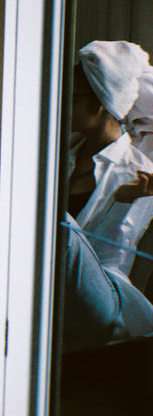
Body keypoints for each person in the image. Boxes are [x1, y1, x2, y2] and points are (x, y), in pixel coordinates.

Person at [61, 41, 153, 349]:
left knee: (55, 220)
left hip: (104, 299)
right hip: (54, 288)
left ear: (101, 103)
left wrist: (133, 194)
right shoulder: (60, 159)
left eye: (70, 98)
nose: (61, 105)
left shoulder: (138, 171)